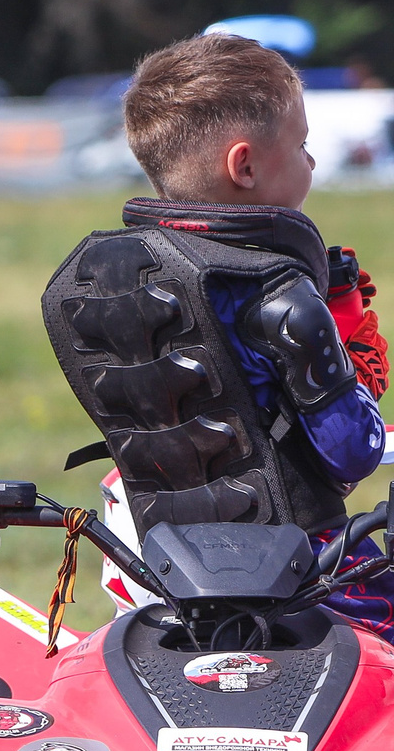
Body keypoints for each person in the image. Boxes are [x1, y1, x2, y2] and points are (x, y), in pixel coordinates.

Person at [47, 33, 389, 627]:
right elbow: (353, 452)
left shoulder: (99, 281)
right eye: (302, 145)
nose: (310, 162)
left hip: (161, 573)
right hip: (305, 574)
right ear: (245, 165)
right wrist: (350, 350)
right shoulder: (278, 294)